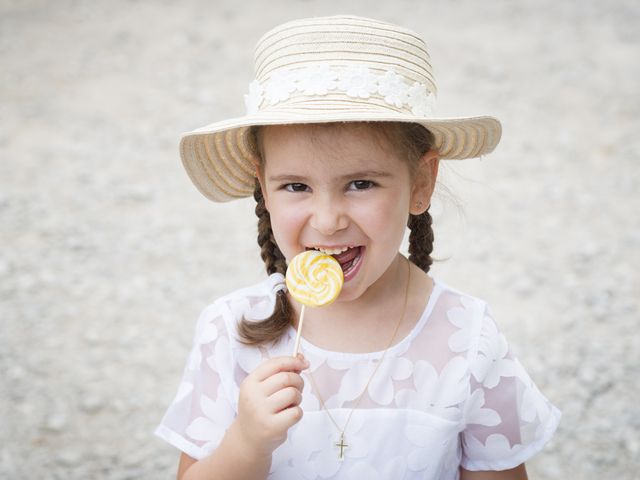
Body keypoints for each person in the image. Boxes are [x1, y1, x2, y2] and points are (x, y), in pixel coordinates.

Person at [155, 15, 560, 480]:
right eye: (295, 186)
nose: (327, 220)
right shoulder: (231, 331)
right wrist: (247, 442)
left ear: (421, 183)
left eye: (360, 183)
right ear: (261, 187)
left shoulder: (468, 339)